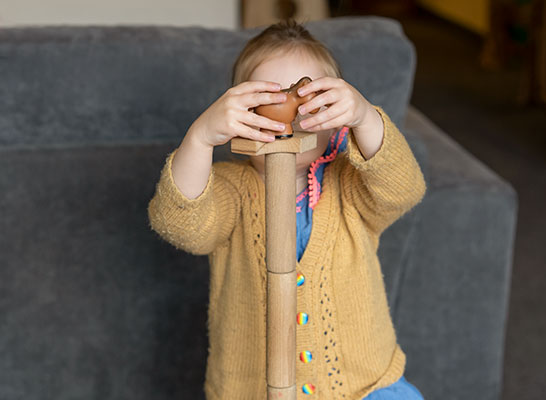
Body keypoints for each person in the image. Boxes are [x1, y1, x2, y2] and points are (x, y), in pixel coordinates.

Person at [148, 19, 427, 400]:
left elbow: (403, 189)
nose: (291, 115)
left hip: (363, 385)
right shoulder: (231, 189)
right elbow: (180, 224)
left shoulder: (352, 182)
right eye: (267, 100)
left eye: (309, 100)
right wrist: (199, 138)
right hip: (253, 390)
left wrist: (365, 116)